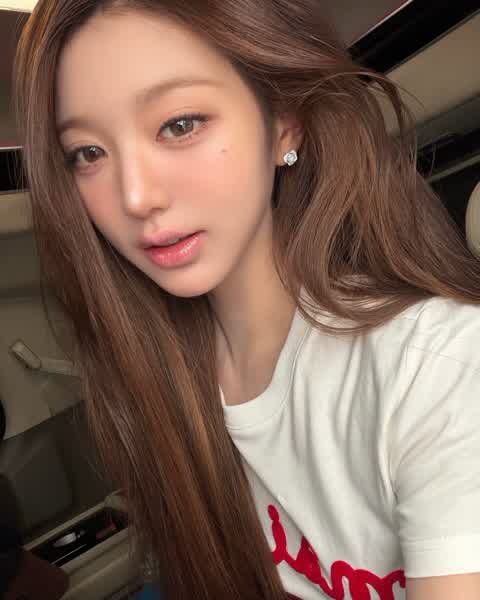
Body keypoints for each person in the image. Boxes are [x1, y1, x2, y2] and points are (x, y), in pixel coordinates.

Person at [13, 1, 480, 599]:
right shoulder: (160, 379)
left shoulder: (437, 368)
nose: (136, 196)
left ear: (284, 123)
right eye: (88, 153)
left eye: (179, 124)